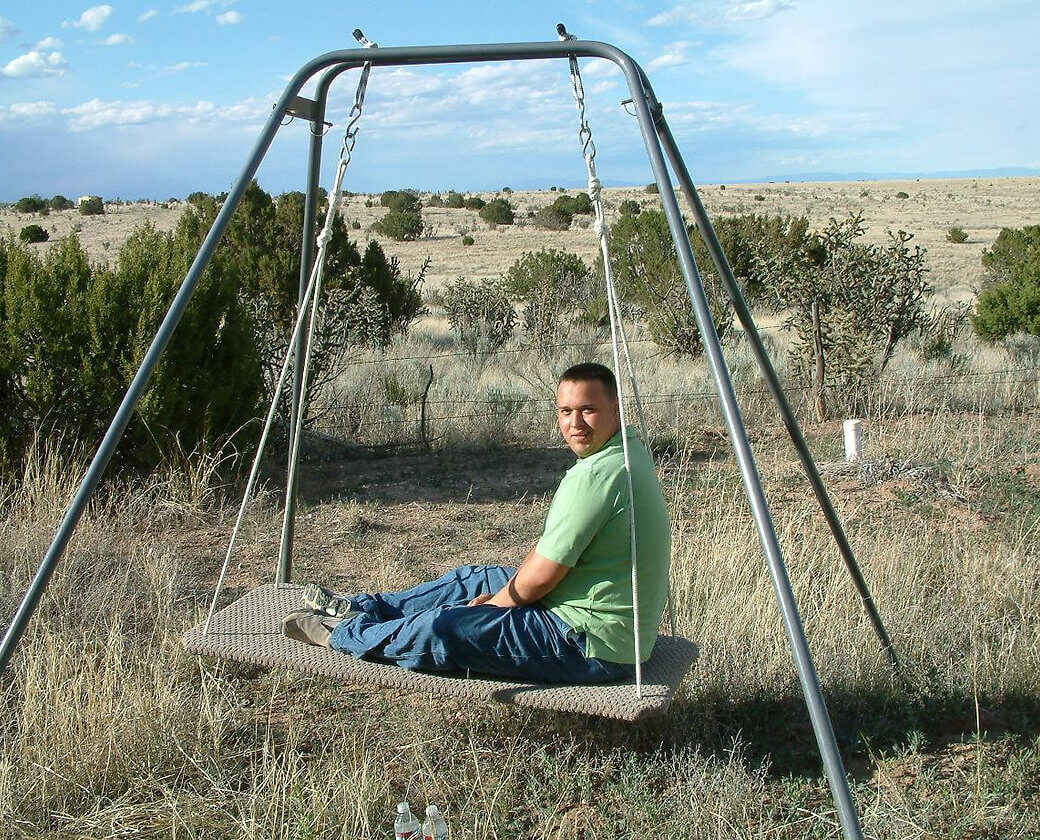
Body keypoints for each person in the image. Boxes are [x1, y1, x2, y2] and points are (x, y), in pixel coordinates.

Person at [282, 362, 671, 684]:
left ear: (616, 409)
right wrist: (499, 594)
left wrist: (496, 608)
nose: (576, 423)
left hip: (590, 644)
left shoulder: (598, 476)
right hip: (582, 612)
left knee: (446, 628)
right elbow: (549, 550)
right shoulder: (626, 450)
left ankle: (347, 634)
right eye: (566, 411)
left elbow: (540, 577)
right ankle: (361, 608)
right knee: (475, 579)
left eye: (589, 409)